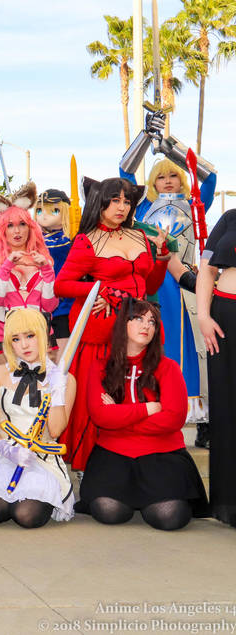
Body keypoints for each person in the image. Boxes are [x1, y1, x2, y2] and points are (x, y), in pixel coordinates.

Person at [53, 177, 168, 472]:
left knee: (138, 393)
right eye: (115, 200)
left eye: (127, 201)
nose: (121, 206)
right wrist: (98, 291)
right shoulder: (86, 240)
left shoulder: (140, 237)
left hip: (140, 330)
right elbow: (62, 285)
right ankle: (94, 467)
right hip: (101, 331)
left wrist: (163, 258)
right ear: (100, 202)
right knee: (100, 400)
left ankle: (136, 459)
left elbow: (149, 283)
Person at [79, 298, 208, 530]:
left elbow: (174, 418)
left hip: (162, 454)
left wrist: (119, 416)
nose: (146, 326)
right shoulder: (100, 367)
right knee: (108, 511)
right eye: (138, 318)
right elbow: (100, 416)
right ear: (122, 324)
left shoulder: (168, 368)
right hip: (113, 454)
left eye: (152, 322)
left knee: (170, 516)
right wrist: (147, 409)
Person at [0, 308, 77, 528]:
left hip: (42, 459)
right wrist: (8, 450)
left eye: (30, 336)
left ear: (43, 335)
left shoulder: (65, 380)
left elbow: (55, 431)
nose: (24, 345)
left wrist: (56, 389)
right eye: (16, 339)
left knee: (26, 515)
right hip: (4, 455)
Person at [137, 159, 208, 446]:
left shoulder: (195, 205)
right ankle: (160, 413)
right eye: (161, 177)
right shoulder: (144, 208)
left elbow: (210, 176)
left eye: (174, 176)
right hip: (154, 284)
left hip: (186, 282)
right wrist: (148, 137)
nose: (167, 181)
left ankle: (202, 419)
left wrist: (174, 150)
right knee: (156, 350)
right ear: (152, 183)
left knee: (195, 351)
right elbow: (125, 173)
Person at [0, 204, 57, 362]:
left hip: (40, 336)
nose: (17, 231)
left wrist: (47, 270)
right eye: (10, 225)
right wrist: (6, 267)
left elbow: (50, 306)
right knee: (8, 384)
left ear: (30, 227)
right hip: (4, 336)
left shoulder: (43, 260)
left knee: (45, 385)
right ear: (2, 229)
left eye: (22, 224)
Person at [196, 208, 236, 527]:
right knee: (225, 405)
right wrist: (204, 316)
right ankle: (228, 502)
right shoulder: (230, 218)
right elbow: (207, 270)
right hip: (223, 319)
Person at [34, 189, 74, 351]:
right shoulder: (32, 238)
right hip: (37, 302)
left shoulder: (71, 238)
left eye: (54, 210)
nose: (44, 215)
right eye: (39, 210)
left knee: (64, 356)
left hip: (65, 302)